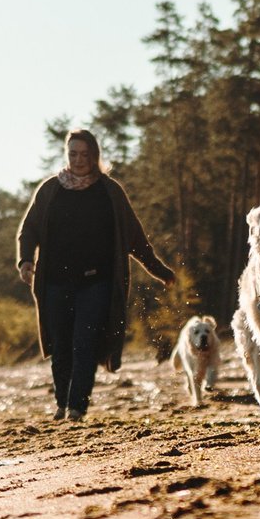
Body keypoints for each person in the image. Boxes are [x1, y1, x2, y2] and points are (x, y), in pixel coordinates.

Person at [16, 129, 176, 421]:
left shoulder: (109, 191)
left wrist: (158, 270)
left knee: (84, 342)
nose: (79, 160)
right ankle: (62, 402)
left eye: (85, 154)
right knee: (61, 344)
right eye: (73, 154)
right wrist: (26, 260)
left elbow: (135, 237)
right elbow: (30, 230)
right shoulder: (50, 190)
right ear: (67, 155)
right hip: (54, 281)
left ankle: (77, 407)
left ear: (95, 156)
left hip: (97, 282)